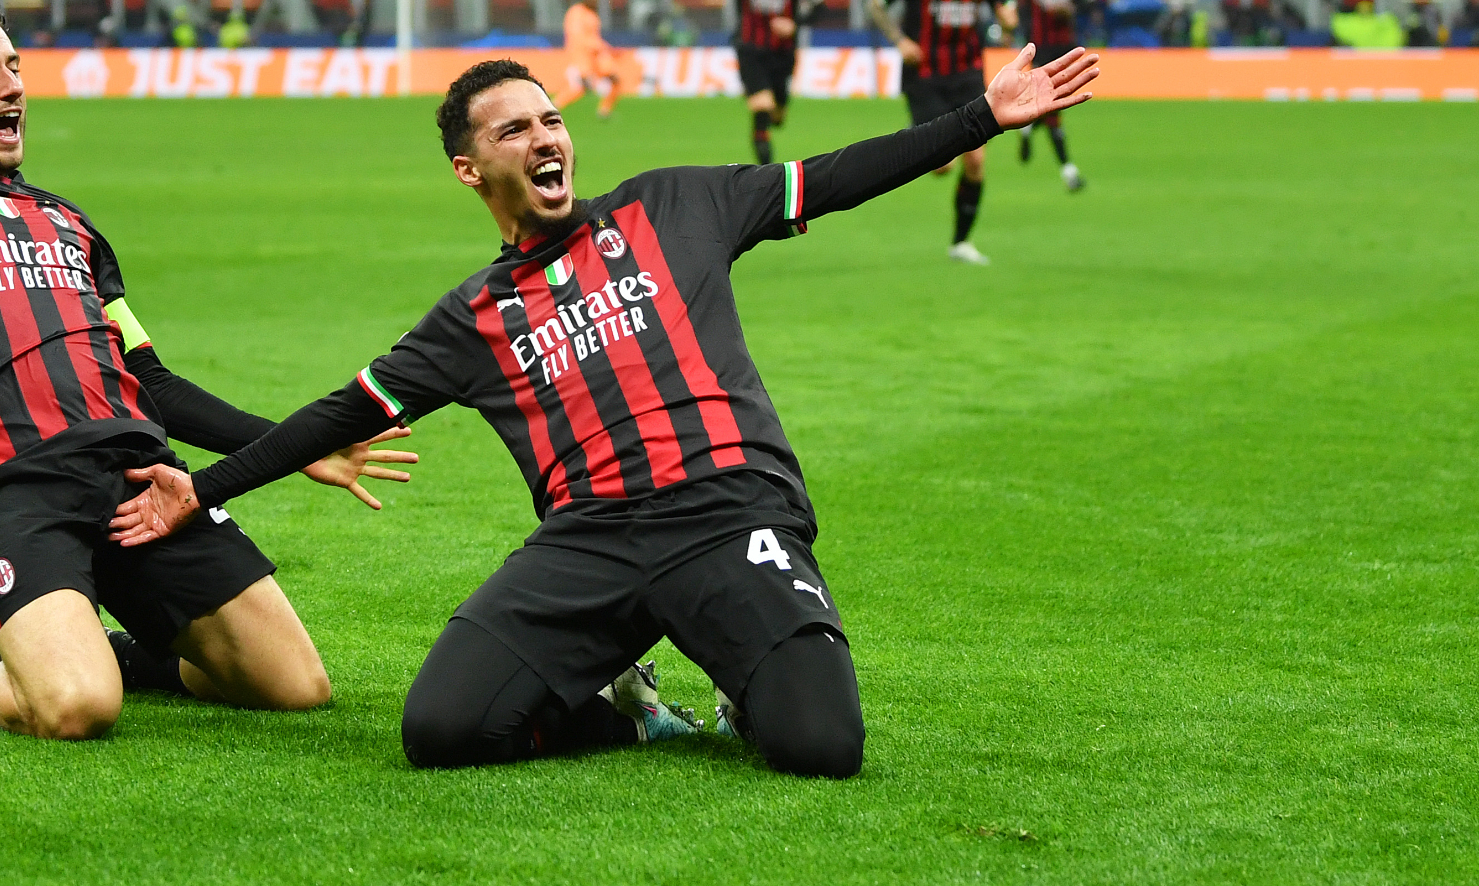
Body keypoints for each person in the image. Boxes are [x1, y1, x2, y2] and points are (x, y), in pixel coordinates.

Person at [108, 45, 1101, 778]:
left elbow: (834, 180)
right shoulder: (473, 318)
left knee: (822, 747)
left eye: (550, 120)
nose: (544, 139)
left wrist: (980, 115)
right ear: (471, 169)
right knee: (442, 733)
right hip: (588, 544)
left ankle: (746, 667)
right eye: (514, 130)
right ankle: (628, 711)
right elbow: (341, 414)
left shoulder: (676, 206)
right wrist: (200, 489)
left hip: (726, 511)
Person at [0, 6, 416, 740]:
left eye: (14, 66)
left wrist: (298, 444)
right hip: (15, 489)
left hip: (142, 480)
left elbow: (154, 385)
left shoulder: (69, 222)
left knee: (294, 687)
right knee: (78, 709)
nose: (11, 85)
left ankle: (103, 648)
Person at [869, 0, 1017, 265]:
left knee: (977, 161)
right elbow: (876, 2)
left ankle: (961, 243)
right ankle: (919, 134)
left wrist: (1009, 20)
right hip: (925, 76)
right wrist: (899, 40)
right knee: (942, 166)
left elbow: (1005, 7)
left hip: (968, 74)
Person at [684, 0, 825, 166]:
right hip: (749, 47)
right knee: (761, 106)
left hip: (783, 51)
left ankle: (776, 114)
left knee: (777, 113)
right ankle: (767, 173)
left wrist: (795, 23)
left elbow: (820, 1)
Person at [1007, 0, 1094, 192]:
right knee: (1054, 104)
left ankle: (1027, 128)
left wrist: (1072, 9)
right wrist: (1011, 22)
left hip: (1068, 47)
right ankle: (1069, 171)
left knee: (1053, 102)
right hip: (1040, 47)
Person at [554, 0, 619, 119]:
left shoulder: (592, 15)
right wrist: (599, 46)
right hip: (581, 55)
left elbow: (593, 37)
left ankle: (604, 110)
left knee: (615, 79)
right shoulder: (576, 12)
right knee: (581, 87)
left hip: (596, 56)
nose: (597, 2)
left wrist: (604, 47)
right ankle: (554, 106)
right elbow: (577, 37)